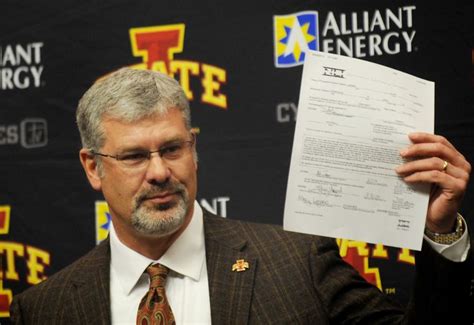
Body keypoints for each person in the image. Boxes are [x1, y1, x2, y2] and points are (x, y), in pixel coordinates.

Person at [10, 68, 472, 324]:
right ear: (93, 167)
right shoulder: (44, 310)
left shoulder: (299, 263)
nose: (159, 172)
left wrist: (441, 230)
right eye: (133, 156)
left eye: (172, 148)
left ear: (194, 147)